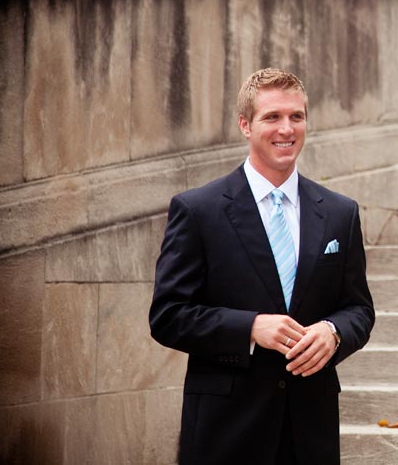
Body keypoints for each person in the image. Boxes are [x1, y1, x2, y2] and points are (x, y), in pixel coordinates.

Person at [149, 68, 374, 464]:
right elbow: (168, 316)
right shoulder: (198, 210)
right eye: (272, 117)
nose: (286, 129)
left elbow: (359, 309)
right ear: (245, 125)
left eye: (296, 116)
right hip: (226, 431)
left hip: (311, 430)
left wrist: (334, 332)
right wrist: (251, 327)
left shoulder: (341, 213)